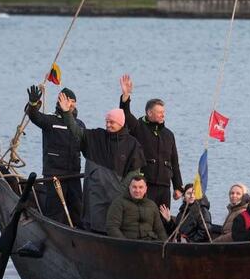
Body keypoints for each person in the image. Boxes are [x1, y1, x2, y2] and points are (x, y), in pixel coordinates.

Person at [58, 91, 145, 233]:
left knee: (115, 224)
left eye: (112, 122)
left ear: (121, 123)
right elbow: (76, 131)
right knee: (94, 223)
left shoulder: (132, 144)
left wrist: (122, 190)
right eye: (107, 122)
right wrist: (67, 113)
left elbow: (134, 172)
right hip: (95, 191)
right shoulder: (96, 136)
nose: (108, 125)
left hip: (117, 194)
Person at [119, 74, 183, 210]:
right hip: (145, 184)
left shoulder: (169, 134)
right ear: (149, 113)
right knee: (145, 216)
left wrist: (178, 187)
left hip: (164, 186)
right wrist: (125, 96)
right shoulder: (138, 127)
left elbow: (174, 163)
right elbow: (125, 114)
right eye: (159, 112)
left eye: (163, 112)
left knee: (163, 218)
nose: (163, 115)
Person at [25, 85, 85, 226]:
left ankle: (80, 232)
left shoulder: (79, 124)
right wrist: (33, 104)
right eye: (68, 101)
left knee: (78, 208)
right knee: (55, 210)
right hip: (54, 175)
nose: (71, 104)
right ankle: (53, 232)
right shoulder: (50, 120)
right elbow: (34, 116)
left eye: (73, 101)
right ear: (60, 101)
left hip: (74, 174)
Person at [106, 173, 168, 241]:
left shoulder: (152, 205)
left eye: (140, 187)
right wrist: (124, 243)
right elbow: (112, 227)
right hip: (128, 242)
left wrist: (165, 244)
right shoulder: (119, 203)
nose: (137, 190)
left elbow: (160, 230)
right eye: (134, 187)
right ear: (129, 187)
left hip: (149, 243)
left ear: (145, 189)